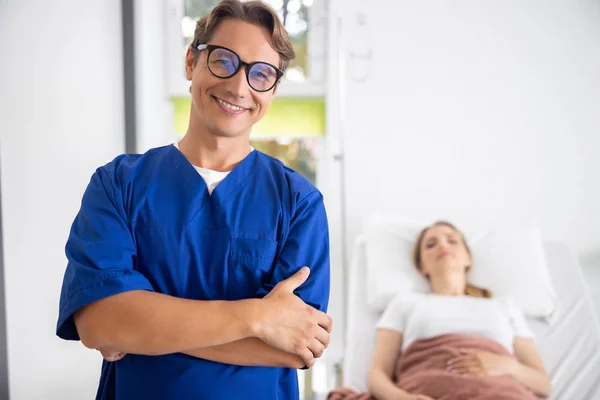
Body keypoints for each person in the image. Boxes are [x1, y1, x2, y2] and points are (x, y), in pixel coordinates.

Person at [55, 1, 332, 399]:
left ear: (272, 90)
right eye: (223, 60)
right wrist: (255, 316)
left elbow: (296, 346)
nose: (239, 87)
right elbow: (98, 325)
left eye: (261, 75)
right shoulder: (119, 184)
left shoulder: (299, 202)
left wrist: (138, 327)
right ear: (191, 62)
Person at [367, 221, 551, 400]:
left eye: (452, 240)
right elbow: (378, 374)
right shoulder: (405, 303)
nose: (442, 245)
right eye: (431, 244)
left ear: (467, 258)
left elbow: (544, 385)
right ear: (422, 266)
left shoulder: (502, 307)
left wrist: (508, 367)